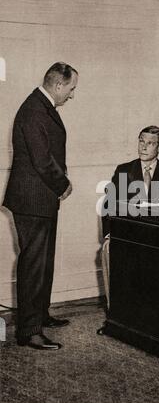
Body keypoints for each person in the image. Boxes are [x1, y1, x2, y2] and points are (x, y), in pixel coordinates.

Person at [3, 62, 78, 350]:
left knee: (43, 262)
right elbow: (42, 159)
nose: (71, 95)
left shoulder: (40, 106)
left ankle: (40, 315)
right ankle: (29, 331)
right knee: (34, 264)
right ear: (58, 85)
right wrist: (64, 184)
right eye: (71, 88)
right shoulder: (34, 110)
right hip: (33, 199)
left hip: (41, 198)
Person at [97, 125, 159, 334]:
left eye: (151, 143)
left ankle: (158, 319)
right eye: (141, 141)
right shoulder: (124, 170)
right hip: (129, 236)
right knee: (109, 250)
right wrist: (110, 234)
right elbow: (108, 205)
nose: (144, 147)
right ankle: (116, 317)